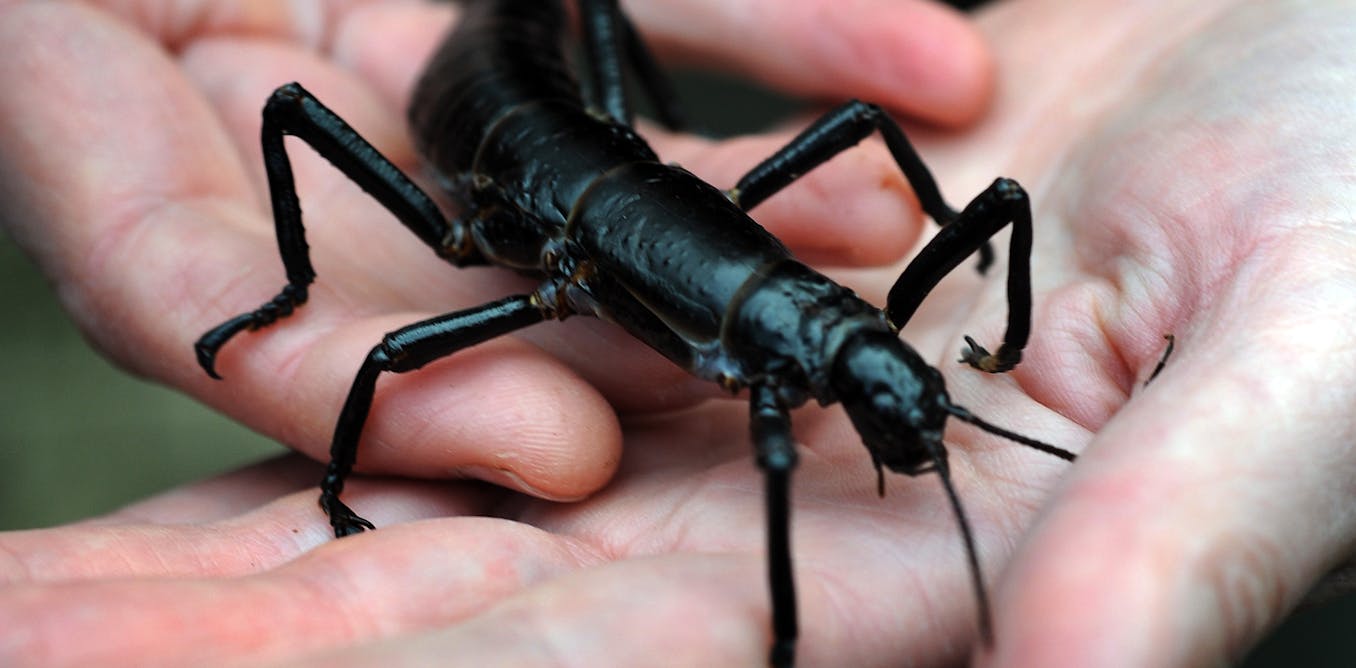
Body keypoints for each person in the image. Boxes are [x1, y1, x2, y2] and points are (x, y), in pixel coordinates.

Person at [1, 0, 1352, 666]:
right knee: (350, 273)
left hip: (595, 140)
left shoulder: (792, 333)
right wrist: (341, 469)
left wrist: (964, 347)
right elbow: (381, 351)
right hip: (493, 143)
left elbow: (990, 205)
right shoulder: (613, 307)